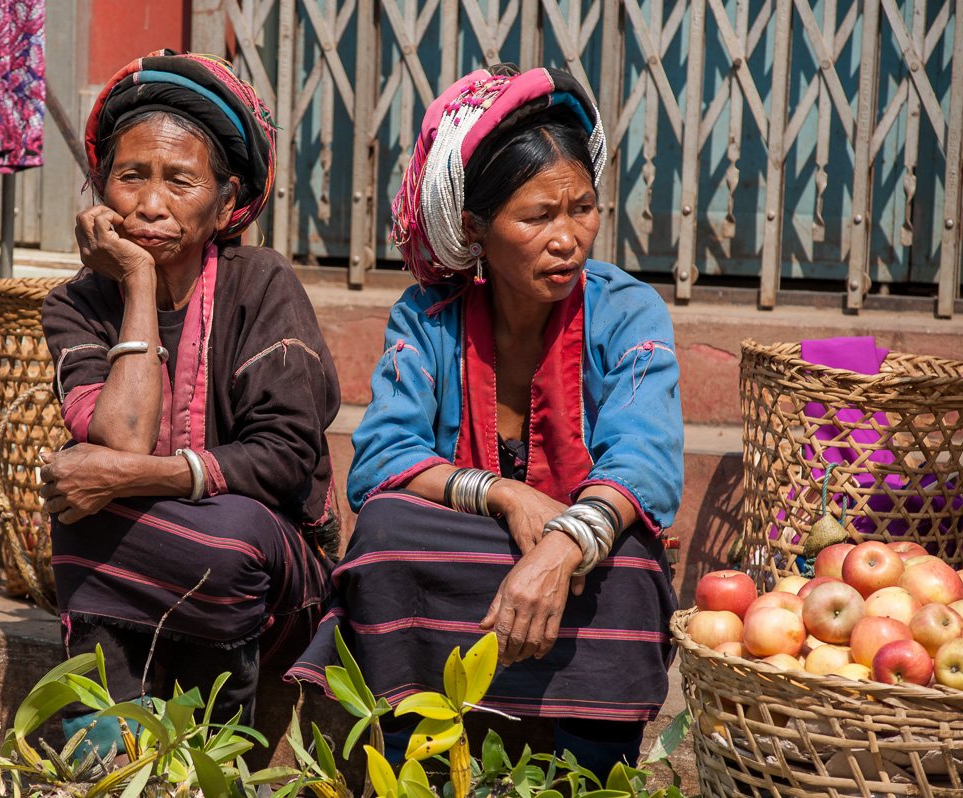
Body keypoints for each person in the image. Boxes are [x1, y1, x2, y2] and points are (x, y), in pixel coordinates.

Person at [288, 64, 682, 778]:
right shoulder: (429, 318)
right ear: (476, 226)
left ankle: (591, 776)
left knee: (629, 565)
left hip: (582, 558)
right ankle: (419, 768)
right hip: (466, 542)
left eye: (583, 208)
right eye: (538, 217)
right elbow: (379, 457)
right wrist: (505, 494)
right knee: (383, 535)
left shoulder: (628, 313)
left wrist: (561, 547)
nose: (569, 237)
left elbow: (646, 465)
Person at [39, 50, 341, 749]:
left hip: (274, 580)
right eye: (130, 177)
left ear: (226, 203)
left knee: (225, 533)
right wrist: (139, 284)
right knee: (77, 504)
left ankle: (210, 746)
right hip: (158, 549)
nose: (149, 204)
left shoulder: (262, 285)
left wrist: (136, 478)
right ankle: (108, 736)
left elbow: (285, 458)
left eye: (180, 180)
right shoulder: (78, 305)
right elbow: (118, 440)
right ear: (99, 193)